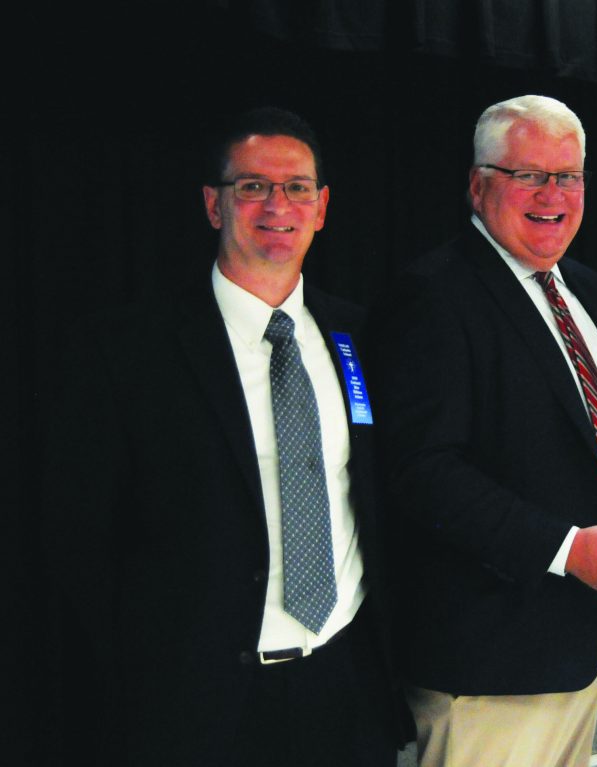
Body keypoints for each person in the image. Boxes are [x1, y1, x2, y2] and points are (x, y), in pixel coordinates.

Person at [43, 107, 404, 766]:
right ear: (215, 205)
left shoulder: (362, 336)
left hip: (345, 687)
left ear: (321, 207)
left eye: (297, 187)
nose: (277, 204)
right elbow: (80, 541)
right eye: (252, 187)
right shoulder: (127, 351)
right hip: (198, 708)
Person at [365, 94, 597, 767]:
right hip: (488, 665)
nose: (552, 194)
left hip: (581, 646)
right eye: (527, 174)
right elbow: (425, 472)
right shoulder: (432, 295)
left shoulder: (590, 290)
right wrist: (566, 549)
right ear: (479, 185)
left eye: (569, 176)